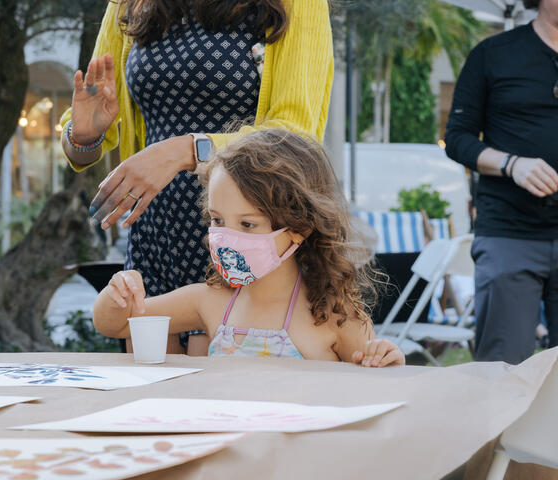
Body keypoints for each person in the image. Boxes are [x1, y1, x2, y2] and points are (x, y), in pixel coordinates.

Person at [61, 0, 333, 355]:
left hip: (240, 241)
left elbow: (294, 135)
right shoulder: (129, 4)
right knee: (152, 400)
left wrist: (186, 150)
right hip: (155, 235)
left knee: (226, 400)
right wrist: (83, 136)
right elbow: (86, 144)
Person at [93, 130, 404, 366]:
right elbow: (119, 324)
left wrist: (386, 360)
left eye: (247, 225)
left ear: (299, 230)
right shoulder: (209, 302)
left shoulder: (335, 315)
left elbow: (371, 391)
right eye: (217, 220)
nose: (227, 237)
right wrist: (116, 297)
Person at [444, 0, 558, 364]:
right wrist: (512, 165)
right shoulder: (492, 54)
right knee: (504, 371)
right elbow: (458, 138)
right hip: (510, 233)